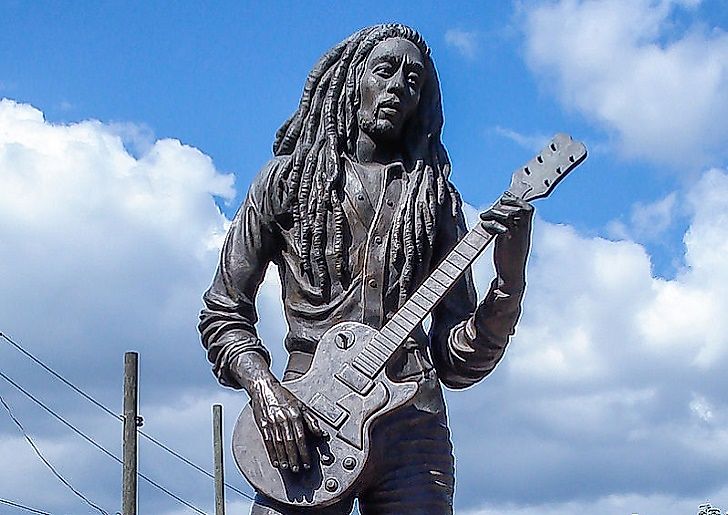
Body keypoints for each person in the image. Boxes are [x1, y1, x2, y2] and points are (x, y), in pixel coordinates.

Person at [199, 23, 533, 515]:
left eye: (414, 81)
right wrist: (265, 389)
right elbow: (223, 312)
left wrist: (509, 284)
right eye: (386, 70)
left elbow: (458, 361)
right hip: (306, 421)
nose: (400, 85)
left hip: (412, 427)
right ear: (353, 78)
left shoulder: (434, 200)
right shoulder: (285, 184)